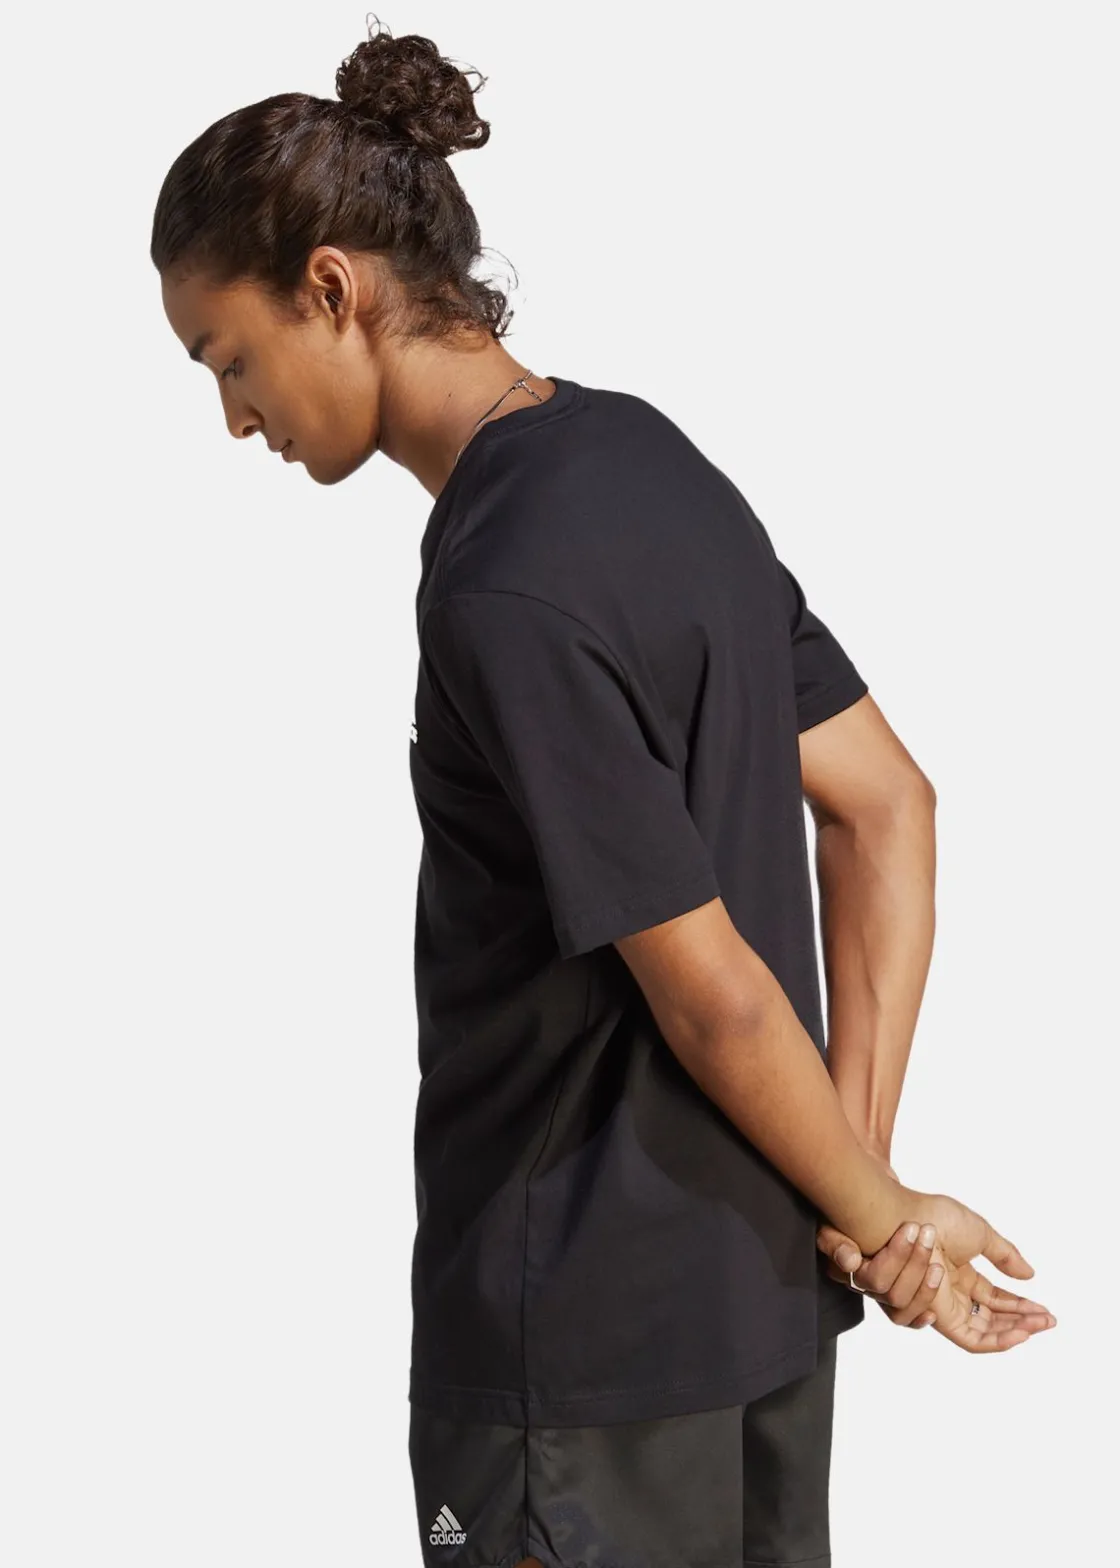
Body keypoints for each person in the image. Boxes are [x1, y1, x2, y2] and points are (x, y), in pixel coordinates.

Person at [151, 18, 1056, 1568]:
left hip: (571, 1366)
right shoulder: (651, 463)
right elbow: (886, 806)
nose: (236, 417)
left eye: (228, 359)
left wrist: (878, 1212)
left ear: (331, 289)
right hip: (762, 1317)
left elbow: (714, 993)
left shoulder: (502, 583)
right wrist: (856, 1197)